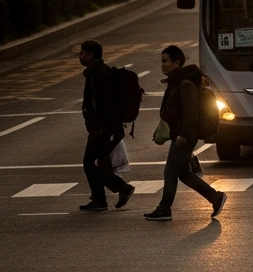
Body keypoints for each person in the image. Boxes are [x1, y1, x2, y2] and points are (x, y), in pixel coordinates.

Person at [144, 45, 225, 221]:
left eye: (165, 61)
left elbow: (191, 113)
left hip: (185, 135)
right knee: (183, 173)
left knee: (170, 172)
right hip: (181, 133)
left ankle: (164, 209)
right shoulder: (176, 81)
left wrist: (183, 134)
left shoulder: (185, 84)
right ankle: (215, 197)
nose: (162, 65)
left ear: (177, 62)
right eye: (161, 61)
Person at [78, 40, 134, 212]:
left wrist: (103, 128)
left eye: (83, 53)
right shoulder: (95, 73)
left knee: (90, 162)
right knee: (93, 162)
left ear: (91, 55)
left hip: (105, 128)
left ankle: (119, 189)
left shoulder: (99, 75)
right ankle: (100, 198)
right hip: (102, 128)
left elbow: (107, 104)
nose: (80, 56)